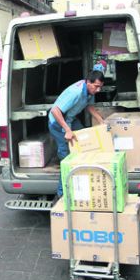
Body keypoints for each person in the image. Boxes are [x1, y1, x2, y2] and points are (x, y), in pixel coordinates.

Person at [48, 70, 106, 198]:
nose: (98, 90)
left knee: (84, 140)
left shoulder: (90, 91)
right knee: (67, 157)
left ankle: (83, 179)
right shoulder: (76, 92)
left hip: (70, 120)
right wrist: (67, 130)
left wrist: (101, 120)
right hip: (58, 123)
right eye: (96, 87)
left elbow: (89, 106)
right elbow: (55, 111)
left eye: (100, 87)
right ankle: (61, 195)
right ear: (88, 82)